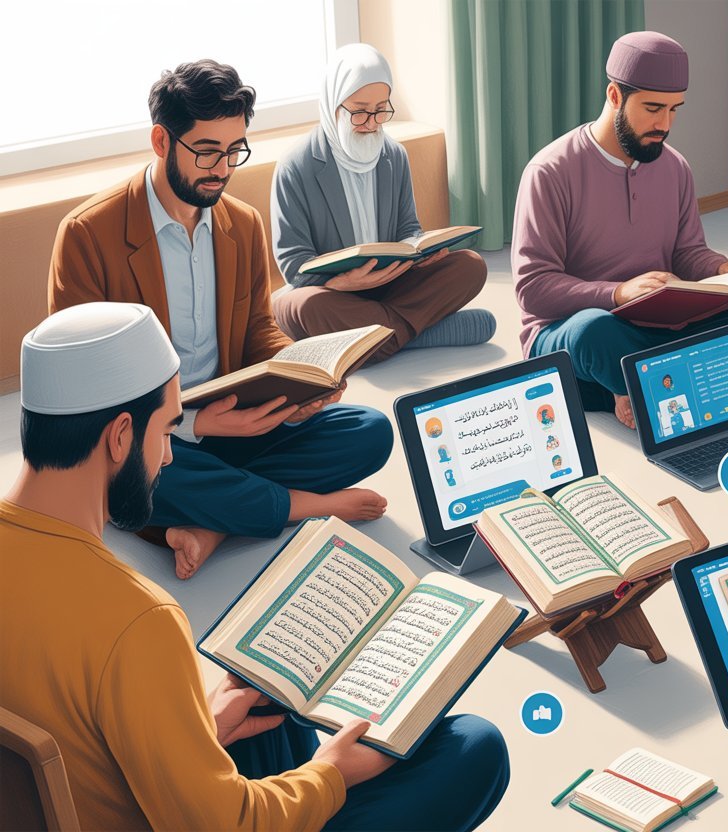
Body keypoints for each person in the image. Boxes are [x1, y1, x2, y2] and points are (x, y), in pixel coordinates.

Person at [0, 302, 509, 830]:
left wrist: (202, 728)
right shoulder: (137, 619)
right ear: (120, 436)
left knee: (271, 703)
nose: (170, 457)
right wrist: (330, 773)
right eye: (168, 431)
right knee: (474, 747)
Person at [48, 60, 392, 579]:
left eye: (235, 150)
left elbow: (258, 332)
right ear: (161, 141)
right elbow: (80, 389)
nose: (223, 168)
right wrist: (190, 424)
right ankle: (300, 505)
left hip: (237, 420)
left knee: (370, 430)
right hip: (146, 436)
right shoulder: (86, 235)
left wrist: (300, 384)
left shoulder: (243, 224)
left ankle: (214, 521)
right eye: (207, 151)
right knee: (115, 475)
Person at [513, 31, 728, 427]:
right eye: (653, 108)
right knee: (592, 332)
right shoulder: (549, 172)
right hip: (586, 331)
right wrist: (617, 293)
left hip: (660, 329)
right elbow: (533, 291)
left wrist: (723, 270)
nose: (664, 124)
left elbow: (687, 253)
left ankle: (641, 387)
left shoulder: (675, 167)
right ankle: (682, 383)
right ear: (615, 96)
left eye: (674, 110)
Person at [271, 43, 494, 360]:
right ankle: (418, 334)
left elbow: (407, 227)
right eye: (360, 111)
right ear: (334, 104)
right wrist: (342, 282)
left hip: (392, 282)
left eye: (381, 110)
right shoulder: (296, 165)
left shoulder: (393, 155)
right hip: (334, 293)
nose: (372, 122)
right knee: (300, 306)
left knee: (470, 265)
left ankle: (370, 340)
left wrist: (420, 251)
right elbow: (293, 265)